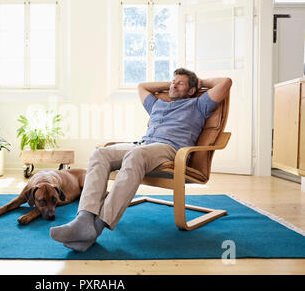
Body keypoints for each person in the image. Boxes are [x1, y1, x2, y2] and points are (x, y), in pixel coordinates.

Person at [49, 68, 232, 252]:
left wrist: (200, 82)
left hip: (170, 149)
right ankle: (84, 219)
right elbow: (142, 86)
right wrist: (173, 84)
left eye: (180, 83)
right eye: (172, 81)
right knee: (100, 153)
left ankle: (97, 225)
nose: (173, 85)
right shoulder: (157, 104)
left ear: (192, 90)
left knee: (136, 155)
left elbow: (226, 82)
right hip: (142, 145)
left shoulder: (199, 105)